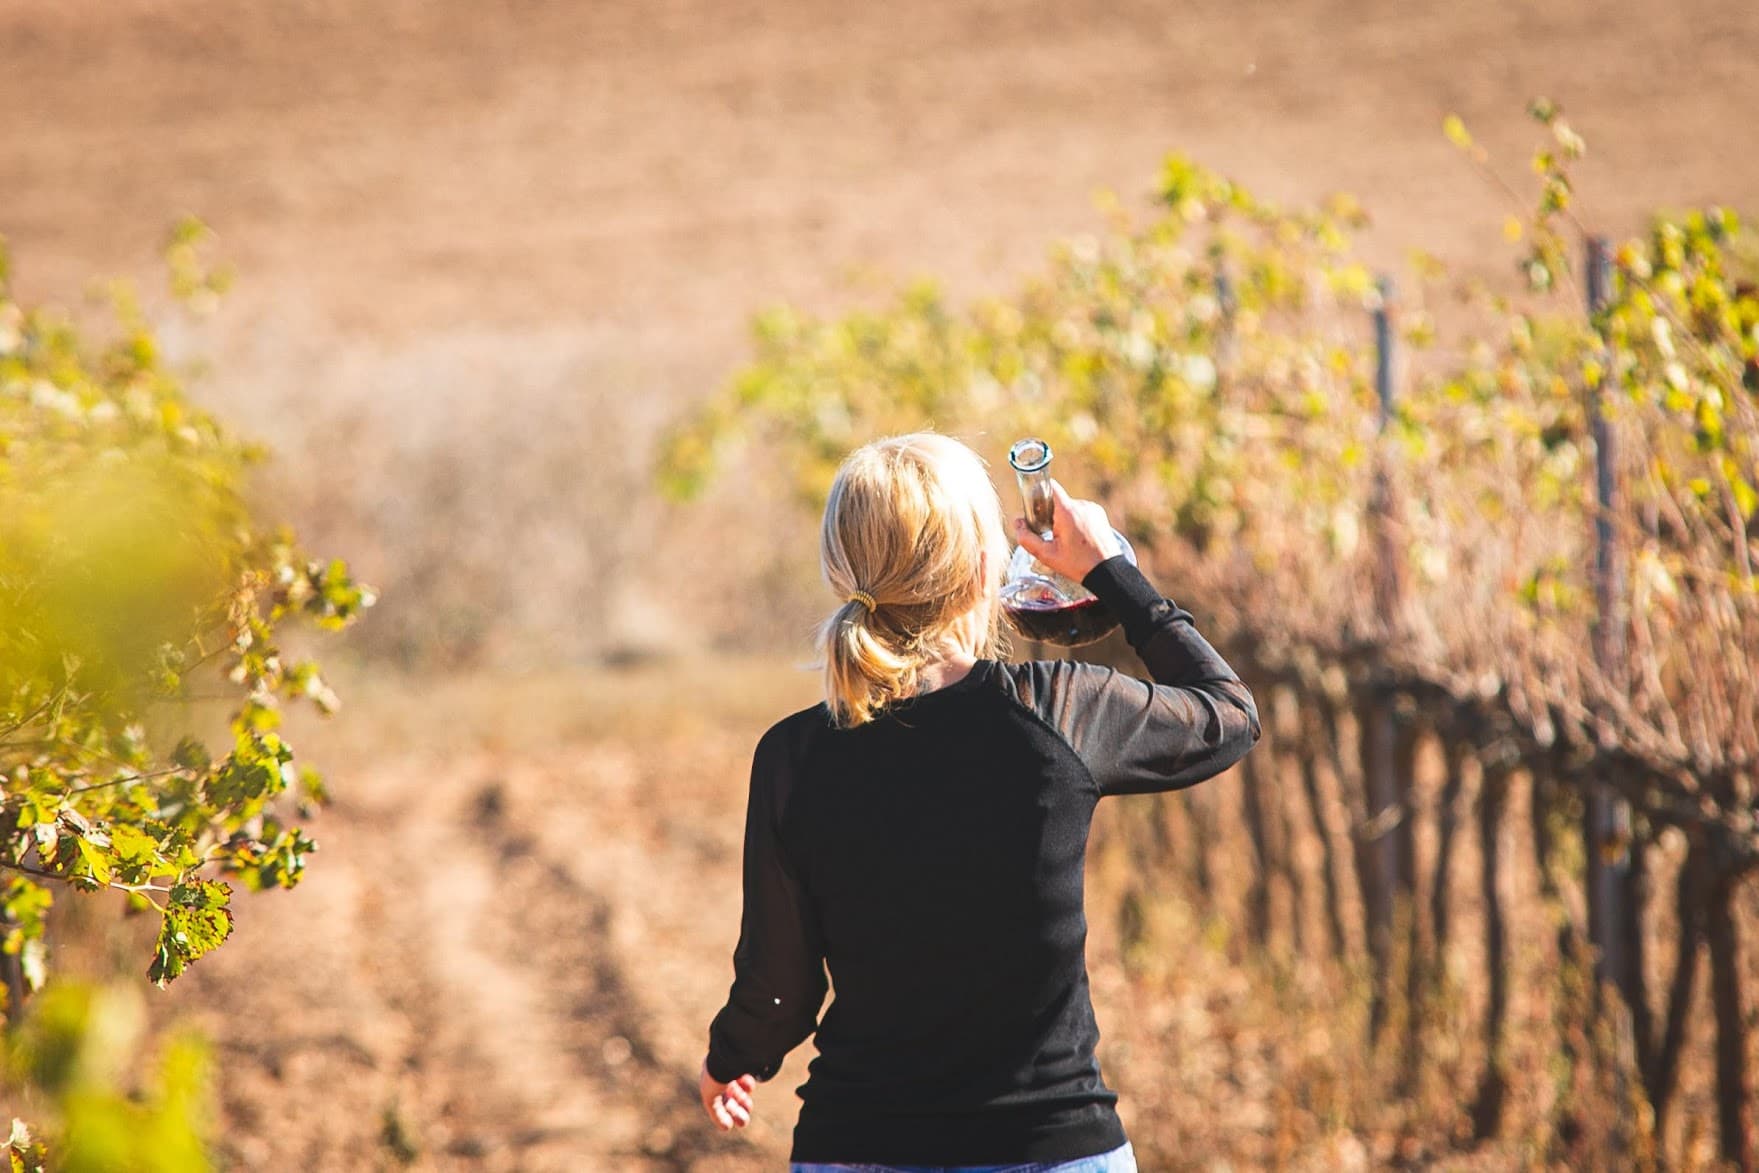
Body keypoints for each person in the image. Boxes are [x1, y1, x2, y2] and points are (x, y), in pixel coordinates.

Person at [698, 432, 1261, 1172]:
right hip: (1052, 1148)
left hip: (858, 1145)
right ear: (985, 565)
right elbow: (1226, 712)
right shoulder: (1059, 713)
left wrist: (734, 1056)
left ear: (840, 568)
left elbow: (783, 980)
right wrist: (1109, 570)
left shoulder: (793, 756)